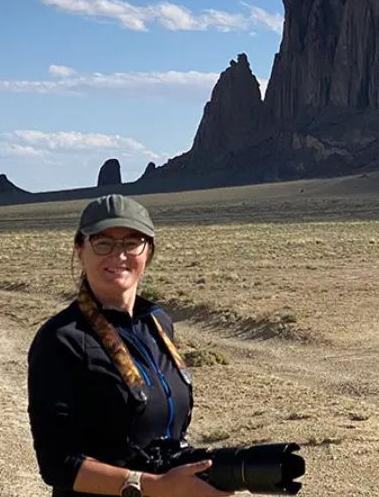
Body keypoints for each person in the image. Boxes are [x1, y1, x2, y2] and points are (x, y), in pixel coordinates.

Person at [27, 194, 232, 497]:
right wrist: (152, 486)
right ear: (80, 249)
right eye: (103, 243)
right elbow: (57, 463)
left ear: (148, 251)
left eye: (132, 242)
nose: (119, 255)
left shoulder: (158, 323)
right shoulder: (62, 339)